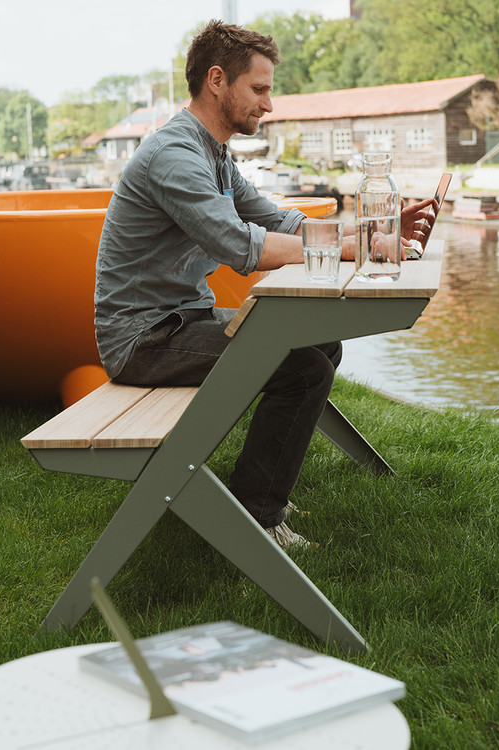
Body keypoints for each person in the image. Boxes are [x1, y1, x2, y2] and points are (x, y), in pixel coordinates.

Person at [95, 20, 435, 549]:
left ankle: (262, 485)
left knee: (316, 340)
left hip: (184, 321)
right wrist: (365, 248)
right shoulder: (174, 156)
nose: (269, 104)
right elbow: (242, 246)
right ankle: (257, 520)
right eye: (259, 89)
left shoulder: (212, 153)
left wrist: (371, 233)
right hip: (144, 338)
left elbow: (279, 222)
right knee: (300, 370)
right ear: (216, 80)